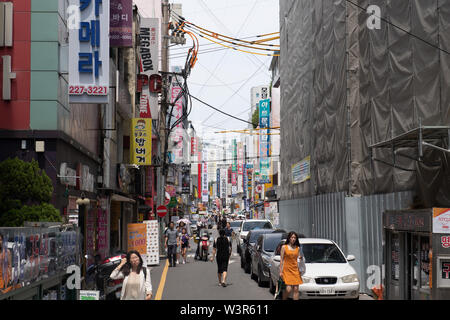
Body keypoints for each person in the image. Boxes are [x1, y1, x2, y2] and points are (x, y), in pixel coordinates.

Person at [279, 231, 303, 300]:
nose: (293, 239)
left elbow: (299, 259)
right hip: (287, 270)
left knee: (296, 289)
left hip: (295, 270)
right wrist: (280, 271)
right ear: (289, 238)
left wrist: (300, 258)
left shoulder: (298, 248)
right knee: (288, 289)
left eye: (295, 238)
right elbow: (281, 260)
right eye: (292, 237)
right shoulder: (284, 247)